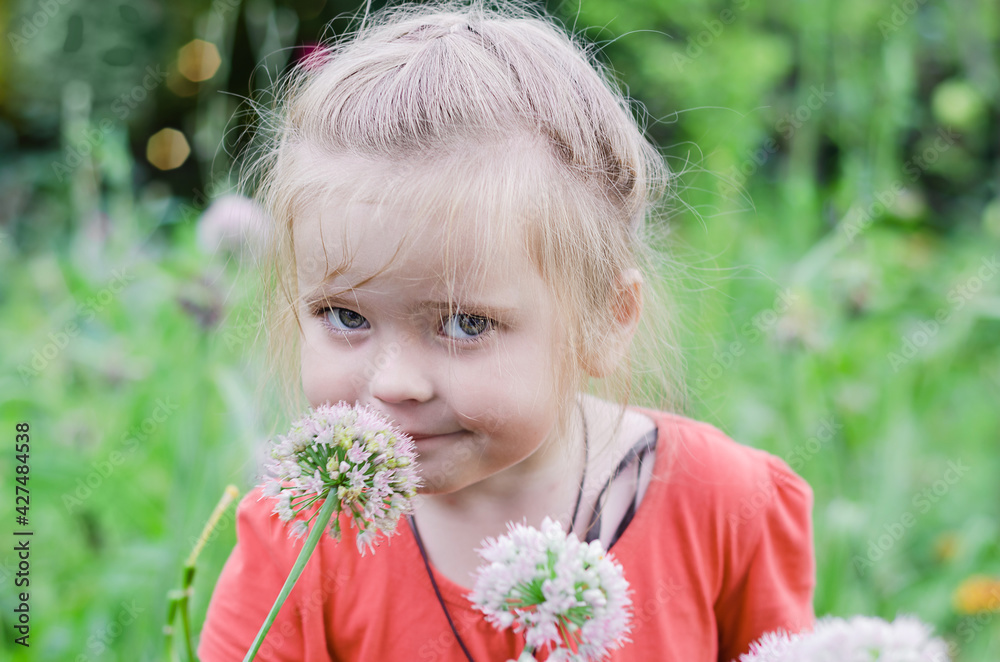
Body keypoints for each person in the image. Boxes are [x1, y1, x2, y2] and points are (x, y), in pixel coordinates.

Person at [198, 1, 815, 660]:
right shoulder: (298, 538)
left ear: (606, 321)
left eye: (466, 324)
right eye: (346, 316)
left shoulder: (724, 504)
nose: (395, 384)